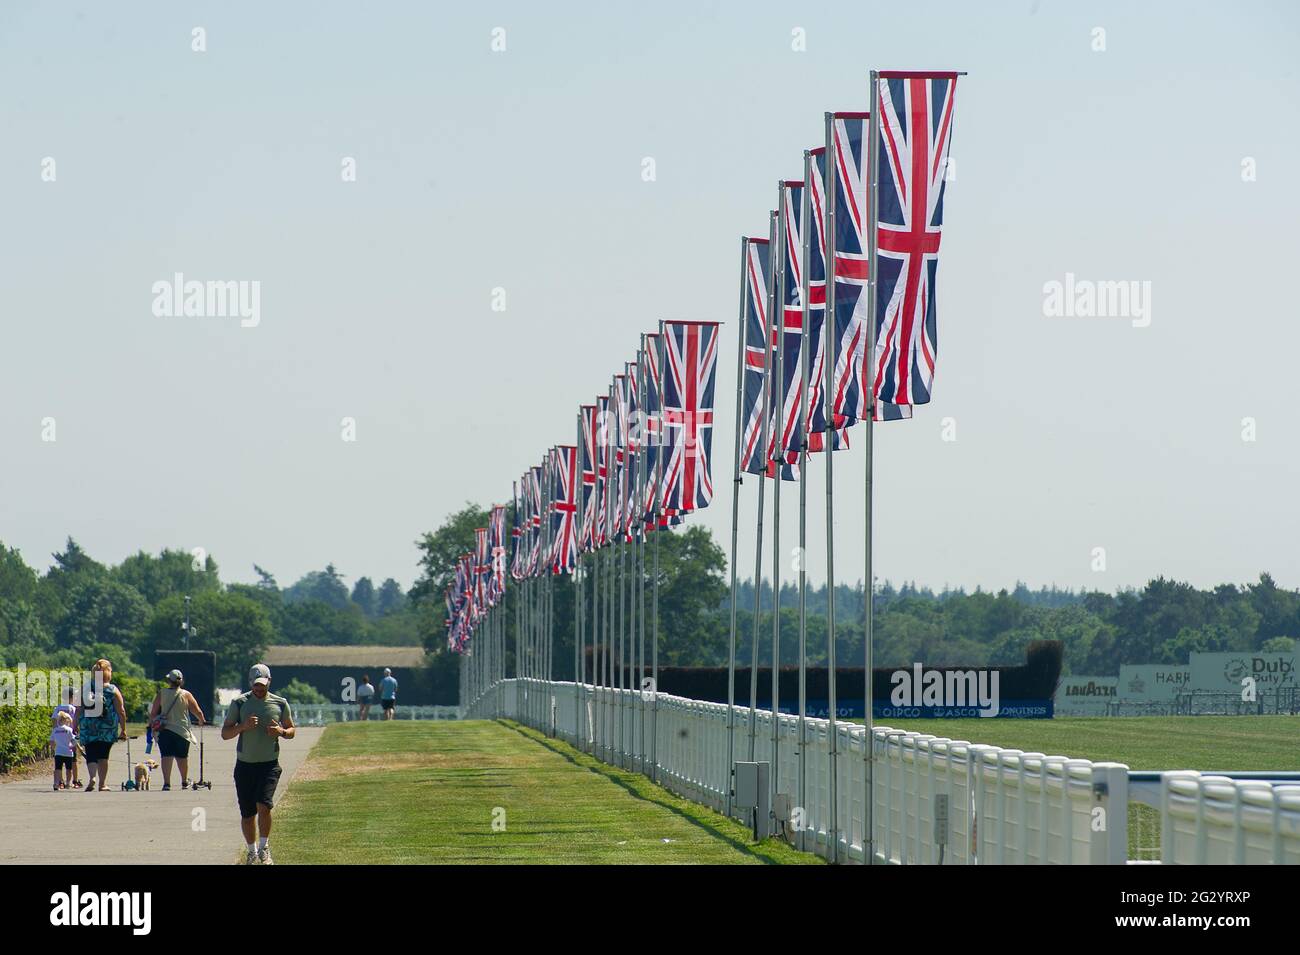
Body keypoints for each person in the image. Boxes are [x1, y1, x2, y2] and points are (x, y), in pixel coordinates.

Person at [221, 663, 295, 865]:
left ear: (269, 682)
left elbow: (291, 730)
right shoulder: (239, 703)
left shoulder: (280, 703)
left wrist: (281, 732)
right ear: (250, 684)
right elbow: (225, 733)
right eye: (256, 686)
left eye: (263, 685)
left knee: (264, 806)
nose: (259, 689)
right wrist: (242, 727)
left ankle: (264, 848)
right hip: (245, 765)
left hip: (269, 764)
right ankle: (251, 851)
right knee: (247, 814)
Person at [148, 669, 207, 790]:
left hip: (165, 730)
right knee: (182, 757)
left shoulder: (162, 693)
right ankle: (184, 781)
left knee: (166, 756)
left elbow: (153, 712)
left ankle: (167, 783)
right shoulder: (186, 694)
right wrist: (201, 720)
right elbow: (197, 711)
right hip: (182, 731)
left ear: (169, 680)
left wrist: (152, 724)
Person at [77, 659, 128, 793]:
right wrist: (123, 729)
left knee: (91, 753)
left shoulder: (86, 687)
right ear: (108, 673)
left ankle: (92, 777)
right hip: (108, 727)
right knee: (103, 756)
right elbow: (121, 711)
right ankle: (102, 784)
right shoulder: (112, 689)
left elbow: (79, 708)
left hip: (89, 726)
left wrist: (75, 724)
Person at [52, 686, 82, 788]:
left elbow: (54, 722)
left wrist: (56, 733)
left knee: (59, 763)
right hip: (70, 735)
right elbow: (76, 721)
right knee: (73, 760)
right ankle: (75, 780)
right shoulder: (73, 708)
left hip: (60, 737)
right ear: (72, 697)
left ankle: (60, 781)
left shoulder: (58, 708)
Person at [51, 711, 76, 790]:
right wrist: (72, 746)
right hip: (68, 752)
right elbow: (74, 741)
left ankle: (56, 783)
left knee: (58, 769)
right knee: (69, 769)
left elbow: (51, 741)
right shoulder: (69, 730)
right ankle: (68, 783)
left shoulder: (55, 730)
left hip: (58, 752)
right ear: (66, 720)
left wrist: (53, 748)